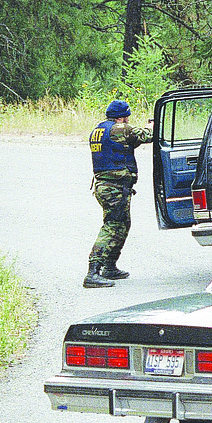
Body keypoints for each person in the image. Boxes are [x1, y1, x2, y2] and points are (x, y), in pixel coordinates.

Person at [84, 100, 154, 288]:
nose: (128, 119)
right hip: (113, 187)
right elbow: (147, 135)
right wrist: (151, 125)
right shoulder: (119, 128)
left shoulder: (99, 130)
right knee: (113, 225)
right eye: (127, 116)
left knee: (123, 224)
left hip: (107, 186)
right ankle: (93, 271)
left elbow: (123, 146)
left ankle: (109, 266)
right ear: (121, 117)